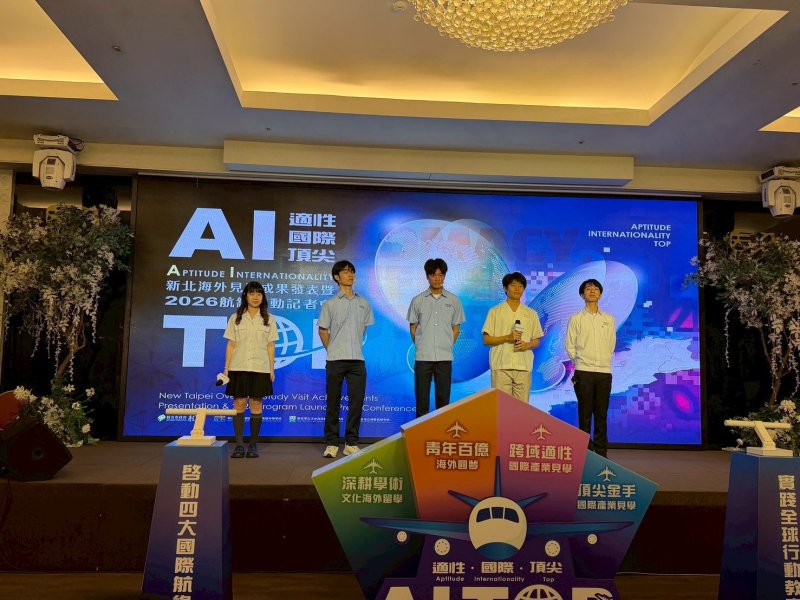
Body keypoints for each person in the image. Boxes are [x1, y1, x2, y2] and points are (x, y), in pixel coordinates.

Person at [318, 260, 375, 458]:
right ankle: (331, 443)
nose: (350, 275)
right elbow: (323, 330)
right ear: (337, 277)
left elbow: (364, 328)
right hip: (335, 360)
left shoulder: (363, 303)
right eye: (345, 272)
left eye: (352, 272)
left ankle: (351, 443)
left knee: (356, 402)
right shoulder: (330, 304)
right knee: (333, 402)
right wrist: (332, 349)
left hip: (357, 360)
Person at [223, 281, 277, 459]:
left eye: (259, 294)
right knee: (239, 404)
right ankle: (239, 445)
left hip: (260, 367)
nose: (255, 297)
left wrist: (271, 369)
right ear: (245, 296)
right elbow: (231, 345)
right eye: (252, 293)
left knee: (256, 404)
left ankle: (253, 445)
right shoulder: (235, 318)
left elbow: (270, 346)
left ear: (263, 297)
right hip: (238, 366)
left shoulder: (269, 319)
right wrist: (226, 369)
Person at [407, 258, 466, 418]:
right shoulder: (418, 300)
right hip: (423, 357)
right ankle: (420, 431)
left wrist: (447, 344)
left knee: (443, 400)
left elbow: (456, 328)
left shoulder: (453, 300)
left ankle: (441, 431)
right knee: (421, 400)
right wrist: (421, 344)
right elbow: (413, 327)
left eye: (441, 275)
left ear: (445, 276)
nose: (437, 278)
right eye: (433, 275)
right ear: (427, 276)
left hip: (444, 357)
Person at [565, 278, 616, 458]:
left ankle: (601, 454)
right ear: (582, 295)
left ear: (600, 294)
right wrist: (580, 362)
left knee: (601, 415)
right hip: (583, 371)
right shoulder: (576, 319)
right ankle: (586, 453)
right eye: (588, 288)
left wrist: (603, 360)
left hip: (604, 372)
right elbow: (570, 345)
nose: (592, 291)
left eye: (595, 288)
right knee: (584, 414)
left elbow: (611, 344)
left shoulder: (608, 319)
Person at [482, 272, 544, 402]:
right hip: (501, 365)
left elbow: (537, 340)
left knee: (522, 409)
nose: (517, 289)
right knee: (502, 407)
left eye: (521, 286)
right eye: (513, 285)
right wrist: (507, 338)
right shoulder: (495, 312)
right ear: (505, 288)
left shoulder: (531, 314)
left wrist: (527, 345)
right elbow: (486, 340)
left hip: (523, 366)